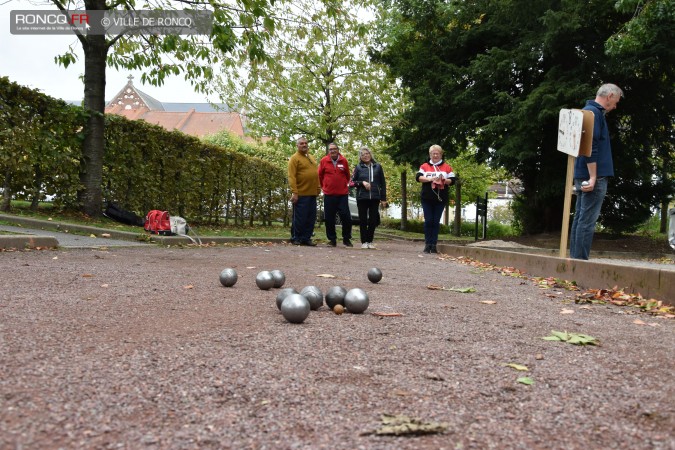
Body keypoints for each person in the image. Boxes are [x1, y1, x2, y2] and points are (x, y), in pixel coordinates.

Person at [570, 83, 623, 260]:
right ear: (609, 96)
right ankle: (580, 264)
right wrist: (593, 176)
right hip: (593, 174)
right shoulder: (593, 114)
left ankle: (575, 260)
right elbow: (590, 146)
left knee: (580, 218)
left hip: (581, 172)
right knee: (586, 221)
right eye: (615, 101)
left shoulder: (586, 112)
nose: (615, 106)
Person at [416, 144, 456, 254]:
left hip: (440, 199)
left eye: (437, 153)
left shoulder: (447, 167)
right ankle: (427, 244)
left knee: (435, 221)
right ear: (430, 154)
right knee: (428, 221)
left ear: (441, 154)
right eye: (433, 153)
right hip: (427, 198)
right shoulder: (424, 166)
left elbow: (452, 180)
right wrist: (430, 179)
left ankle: (434, 245)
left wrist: (444, 179)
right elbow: (418, 177)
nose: (435, 155)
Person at [351, 147, 387, 249]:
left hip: (375, 197)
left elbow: (383, 184)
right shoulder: (358, 167)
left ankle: (370, 241)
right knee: (363, 220)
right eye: (363, 155)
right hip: (362, 197)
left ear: (370, 155)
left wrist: (383, 198)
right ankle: (364, 242)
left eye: (367, 154)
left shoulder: (378, 167)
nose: (365, 156)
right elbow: (351, 182)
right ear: (360, 157)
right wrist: (362, 183)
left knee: (373, 220)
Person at [318, 142, 353, 247]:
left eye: (334, 149)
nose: (332, 151)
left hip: (342, 194)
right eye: (330, 149)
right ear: (329, 151)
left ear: (338, 150)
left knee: (346, 217)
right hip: (329, 194)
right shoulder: (324, 161)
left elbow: (347, 176)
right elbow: (320, 175)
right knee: (329, 218)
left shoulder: (344, 161)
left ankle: (346, 239)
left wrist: (342, 185)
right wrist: (325, 187)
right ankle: (332, 240)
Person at [288, 136, 321, 246]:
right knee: (300, 218)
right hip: (301, 194)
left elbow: (315, 174)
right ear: (297, 145)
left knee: (310, 218)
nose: (304, 145)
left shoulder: (311, 157)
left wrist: (318, 188)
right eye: (301, 143)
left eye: (306, 143)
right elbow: (291, 176)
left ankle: (306, 238)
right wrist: (295, 192)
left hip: (312, 194)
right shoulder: (294, 158)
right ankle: (296, 238)